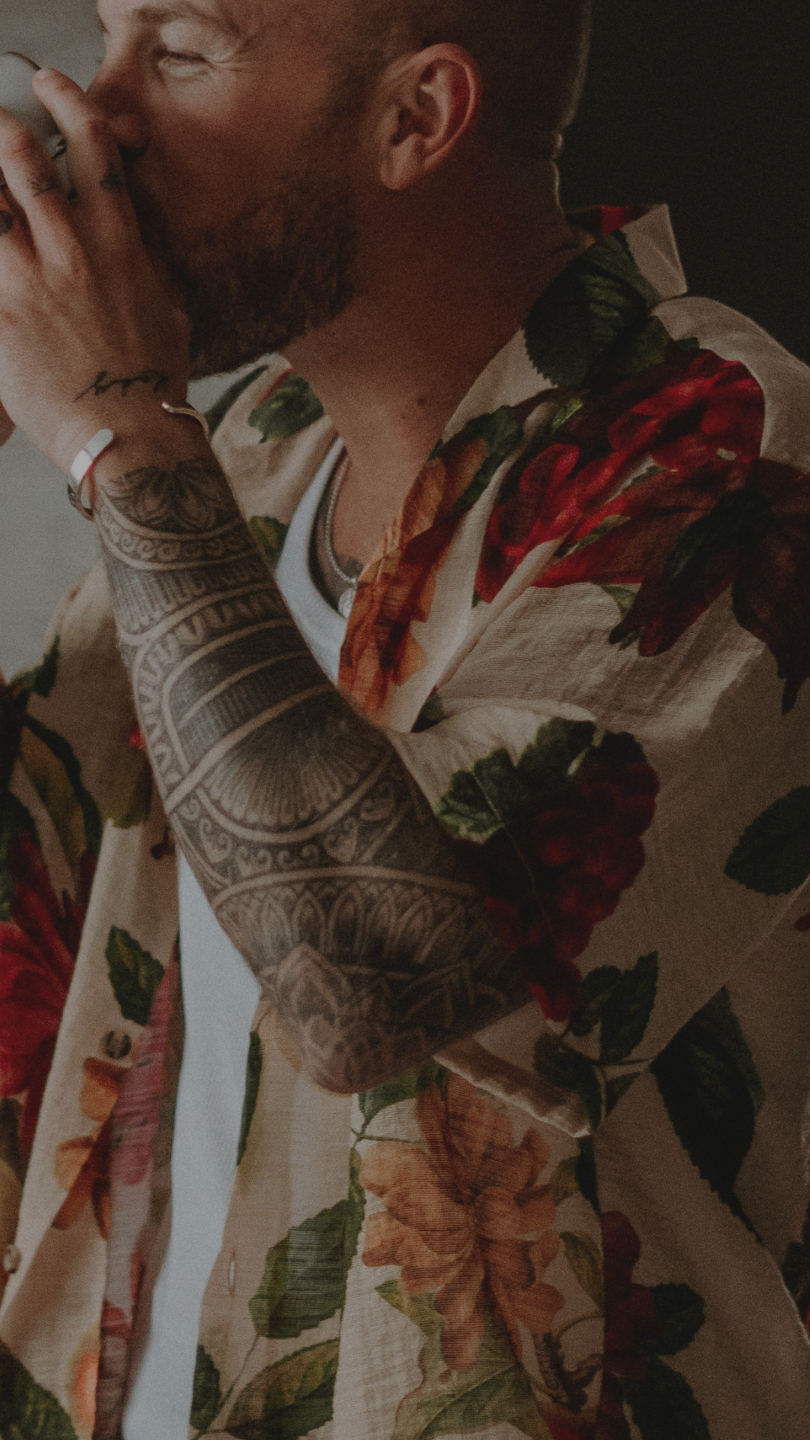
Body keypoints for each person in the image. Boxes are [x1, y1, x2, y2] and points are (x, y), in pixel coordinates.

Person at [1, 0, 809, 1436]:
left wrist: (118, 434)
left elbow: (376, 972)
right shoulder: (253, 457)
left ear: (414, 120)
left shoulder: (726, 457)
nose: (96, 117)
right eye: (105, 38)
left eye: (177, 54)